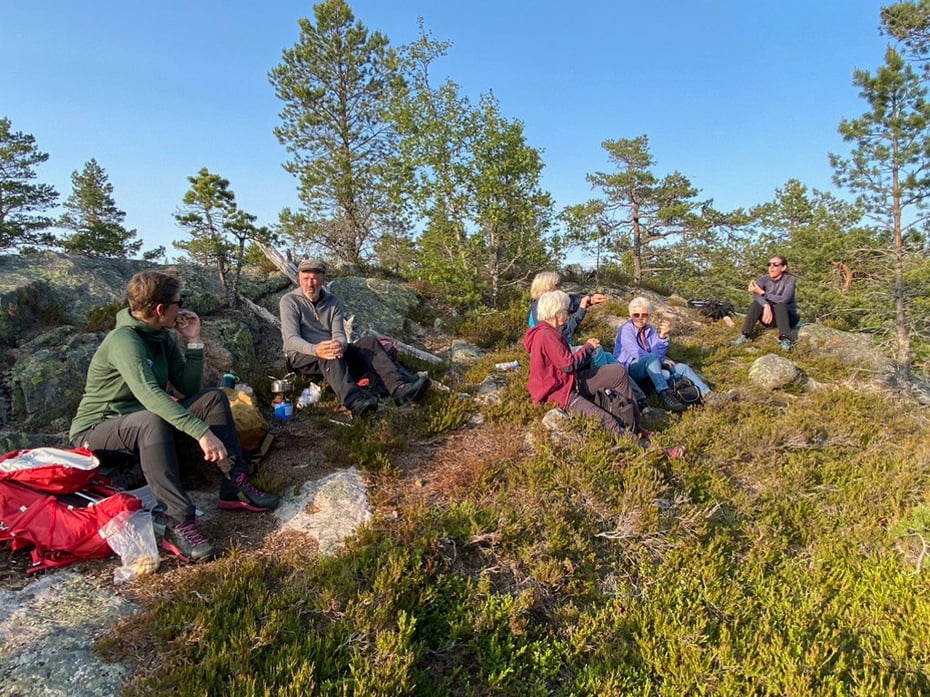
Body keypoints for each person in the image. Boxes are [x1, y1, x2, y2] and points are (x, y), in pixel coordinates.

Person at [69, 271, 280, 564]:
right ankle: (177, 521)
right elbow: (150, 396)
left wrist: (193, 342)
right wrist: (201, 432)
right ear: (160, 309)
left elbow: (188, 388)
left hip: (142, 424)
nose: (181, 307)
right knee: (150, 419)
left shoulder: (162, 337)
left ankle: (235, 484)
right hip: (96, 434)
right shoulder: (124, 341)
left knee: (213, 398)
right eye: (179, 301)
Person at [280, 258, 430, 418]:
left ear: (323, 279)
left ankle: (399, 388)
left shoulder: (333, 301)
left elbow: (339, 333)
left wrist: (340, 345)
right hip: (301, 356)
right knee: (329, 356)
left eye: (315, 278)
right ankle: (355, 402)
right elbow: (291, 339)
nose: (310, 284)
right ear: (299, 279)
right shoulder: (289, 301)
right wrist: (316, 349)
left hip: (330, 352)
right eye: (305, 279)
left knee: (369, 342)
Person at [524, 289, 647, 442]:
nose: (568, 314)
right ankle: (638, 443)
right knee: (607, 420)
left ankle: (635, 425)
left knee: (618, 372)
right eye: (566, 310)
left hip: (570, 381)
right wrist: (588, 348)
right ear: (556, 313)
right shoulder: (546, 335)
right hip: (559, 393)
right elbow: (568, 364)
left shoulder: (550, 331)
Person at [528, 271, 647, 406]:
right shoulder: (539, 310)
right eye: (557, 285)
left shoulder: (549, 303)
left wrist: (589, 299)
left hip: (563, 351)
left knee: (607, 356)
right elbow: (564, 332)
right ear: (548, 287)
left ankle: (637, 395)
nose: (561, 287)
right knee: (597, 351)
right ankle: (610, 390)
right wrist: (582, 311)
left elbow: (573, 301)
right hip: (557, 357)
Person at [613, 296, 715, 413]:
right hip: (630, 368)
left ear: (649, 315)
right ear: (631, 315)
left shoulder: (650, 330)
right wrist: (660, 360)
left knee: (682, 368)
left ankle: (708, 394)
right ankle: (664, 394)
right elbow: (637, 353)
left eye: (644, 315)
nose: (640, 318)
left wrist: (662, 337)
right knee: (653, 360)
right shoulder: (626, 329)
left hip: (651, 366)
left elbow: (658, 354)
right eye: (636, 315)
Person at [731, 255, 799, 351]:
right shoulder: (763, 279)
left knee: (780, 305)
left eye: (775, 265)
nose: (771, 267)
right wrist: (766, 305)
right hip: (769, 318)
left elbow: (784, 299)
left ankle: (786, 339)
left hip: (788, 318)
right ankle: (745, 335)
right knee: (757, 303)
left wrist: (763, 293)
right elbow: (756, 295)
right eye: (769, 264)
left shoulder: (789, 280)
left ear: (783, 267)